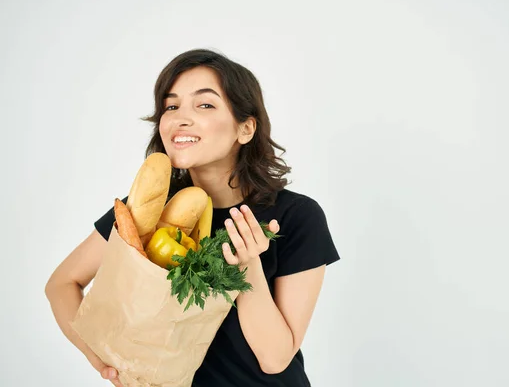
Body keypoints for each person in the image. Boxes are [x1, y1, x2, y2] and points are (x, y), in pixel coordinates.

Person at [45, 48, 340, 387]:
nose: (179, 119)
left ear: (245, 129)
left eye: (204, 105)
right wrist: (102, 362)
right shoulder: (149, 211)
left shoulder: (294, 216)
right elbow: (61, 284)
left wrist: (247, 267)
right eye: (171, 106)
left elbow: (274, 360)